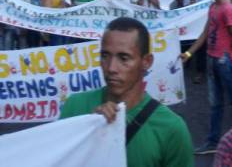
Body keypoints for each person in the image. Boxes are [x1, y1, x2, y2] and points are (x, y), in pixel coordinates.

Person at [60, 17, 194, 167]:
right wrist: (88, 129)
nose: (111, 68)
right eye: (105, 56)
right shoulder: (74, 107)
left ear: (146, 62)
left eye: (124, 58)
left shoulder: (172, 129)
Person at [182, 0, 232, 155]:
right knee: (217, 103)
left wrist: (228, 51)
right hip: (213, 58)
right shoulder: (214, 7)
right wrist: (189, 53)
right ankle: (213, 141)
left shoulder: (227, 9)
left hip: (224, 61)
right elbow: (205, 33)